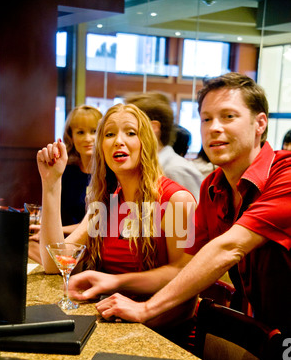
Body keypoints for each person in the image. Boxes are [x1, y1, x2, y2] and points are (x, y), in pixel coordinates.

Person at [90, 72, 291, 333]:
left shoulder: (285, 173)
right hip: (260, 330)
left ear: (260, 123)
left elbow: (229, 247)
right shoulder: (212, 186)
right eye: (206, 119)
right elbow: (187, 264)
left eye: (229, 116)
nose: (214, 127)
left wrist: (144, 309)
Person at [38, 103, 197, 328]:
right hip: (113, 321)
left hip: (163, 331)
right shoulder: (106, 202)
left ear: (147, 142)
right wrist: (51, 183)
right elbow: (55, 263)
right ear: (102, 147)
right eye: (109, 134)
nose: (118, 141)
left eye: (130, 133)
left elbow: (184, 275)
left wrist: (115, 281)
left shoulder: (176, 200)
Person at [29, 104, 102, 262]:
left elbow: (98, 223)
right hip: (61, 241)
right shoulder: (66, 171)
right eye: (80, 132)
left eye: (94, 131)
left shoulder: (107, 175)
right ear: (71, 137)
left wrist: (54, 230)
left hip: (92, 245)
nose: (88, 138)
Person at [125, 92, 204, 202]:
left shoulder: (176, 169)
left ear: (153, 128)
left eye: (129, 130)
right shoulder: (148, 167)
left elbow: (196, 216)